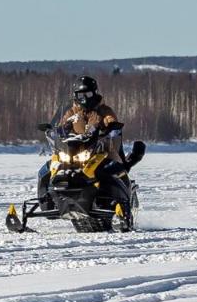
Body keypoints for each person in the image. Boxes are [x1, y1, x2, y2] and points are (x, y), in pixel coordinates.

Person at [37, 76, 132, 213]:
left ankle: (121, 200)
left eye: (87, 94)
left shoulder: (103, 110)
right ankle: (47, 201)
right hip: (75, 150)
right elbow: (63, 123)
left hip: (99, 148)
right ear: (75, 96)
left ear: (94, 93)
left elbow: (109, 118)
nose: (84, 98)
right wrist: (56, 129)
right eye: (81, 95)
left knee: (112, 167)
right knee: (48, 168)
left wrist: (111, 124)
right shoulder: (72, 112)